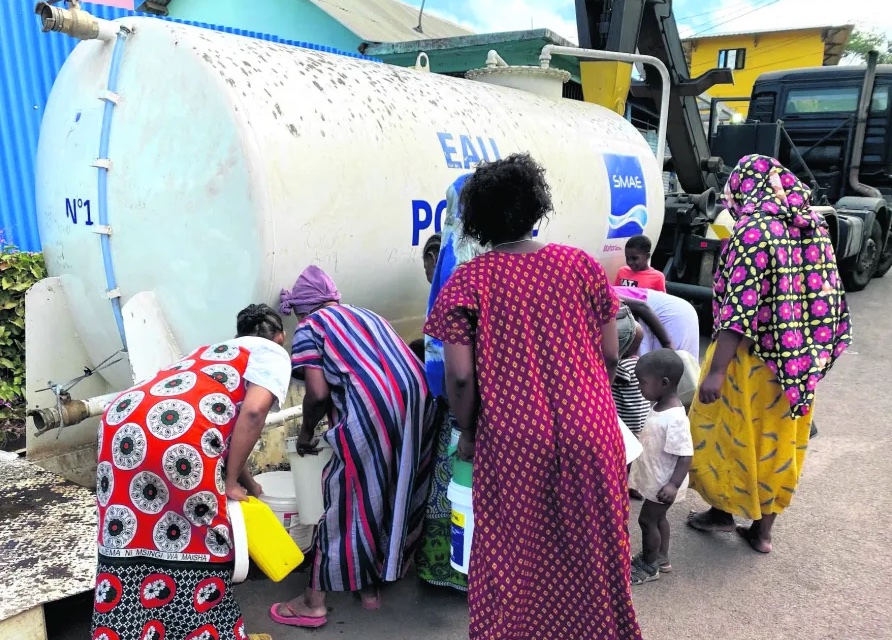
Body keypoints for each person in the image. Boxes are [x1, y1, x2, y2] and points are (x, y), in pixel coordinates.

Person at [424, 154, 641, 639]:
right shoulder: (581, 265)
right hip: (592, 428)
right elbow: (611, 352)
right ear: (535, 206)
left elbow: (459, 378)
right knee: (593, 549)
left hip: (513, 438)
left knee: (514, 554)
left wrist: (466, 433)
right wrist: (579, 394)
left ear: (476, 218)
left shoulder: (470, 280)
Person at [91, 304, 292, 640]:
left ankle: (133, 632)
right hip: (180, 437)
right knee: (201, 540)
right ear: (280, 336)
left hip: (119, 427)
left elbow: (222, 427)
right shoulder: (272, 353)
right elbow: (254, 413)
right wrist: (229, 483)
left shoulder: (212, 352)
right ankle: (206, 633)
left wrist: (248, 483)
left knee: (133, 533)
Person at [687, 155, 851, 554]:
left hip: (749, 360)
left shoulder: (752, 231)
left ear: (746, 186)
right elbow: (828, 298)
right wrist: (813, 361)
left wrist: (717, 372)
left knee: (726, 435)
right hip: (796, 362)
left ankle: (722, 512)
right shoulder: (810, 225)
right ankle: (762, 531)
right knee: (778, 444)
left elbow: (739, 310)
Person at [271, 265, 435, 628]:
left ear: (302, 309)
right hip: (418, 402)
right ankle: (370, 588)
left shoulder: (312, 327)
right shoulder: (368, 314)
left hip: (374, 406)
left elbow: (316, 393)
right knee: (389, 491)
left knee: (345, 497)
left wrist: (306, 433)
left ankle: (313, 601)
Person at [416, 173, 482, 593]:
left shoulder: (457, 263)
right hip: (516, 404)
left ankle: (451, 569)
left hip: (464, 406)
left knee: (457, 481)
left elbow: (453, 363)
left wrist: (465, 424)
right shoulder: (528, 261)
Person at [628, 349, 693, 585]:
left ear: (664, 383)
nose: (639, 387)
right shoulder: (658, 406)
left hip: (664, 483)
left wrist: (673, 485)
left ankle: (649, 564)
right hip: (657, 477)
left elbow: (686, 455)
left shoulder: (675, 417)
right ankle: (662, 558)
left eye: (642, 382)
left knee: (647, 521)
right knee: (658, 520)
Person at [614, 285, 700, 360]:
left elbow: (642, 307)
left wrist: (668, 345)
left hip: (667, 314)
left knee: (670, 367)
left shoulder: (603, 293)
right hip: (668, 314)